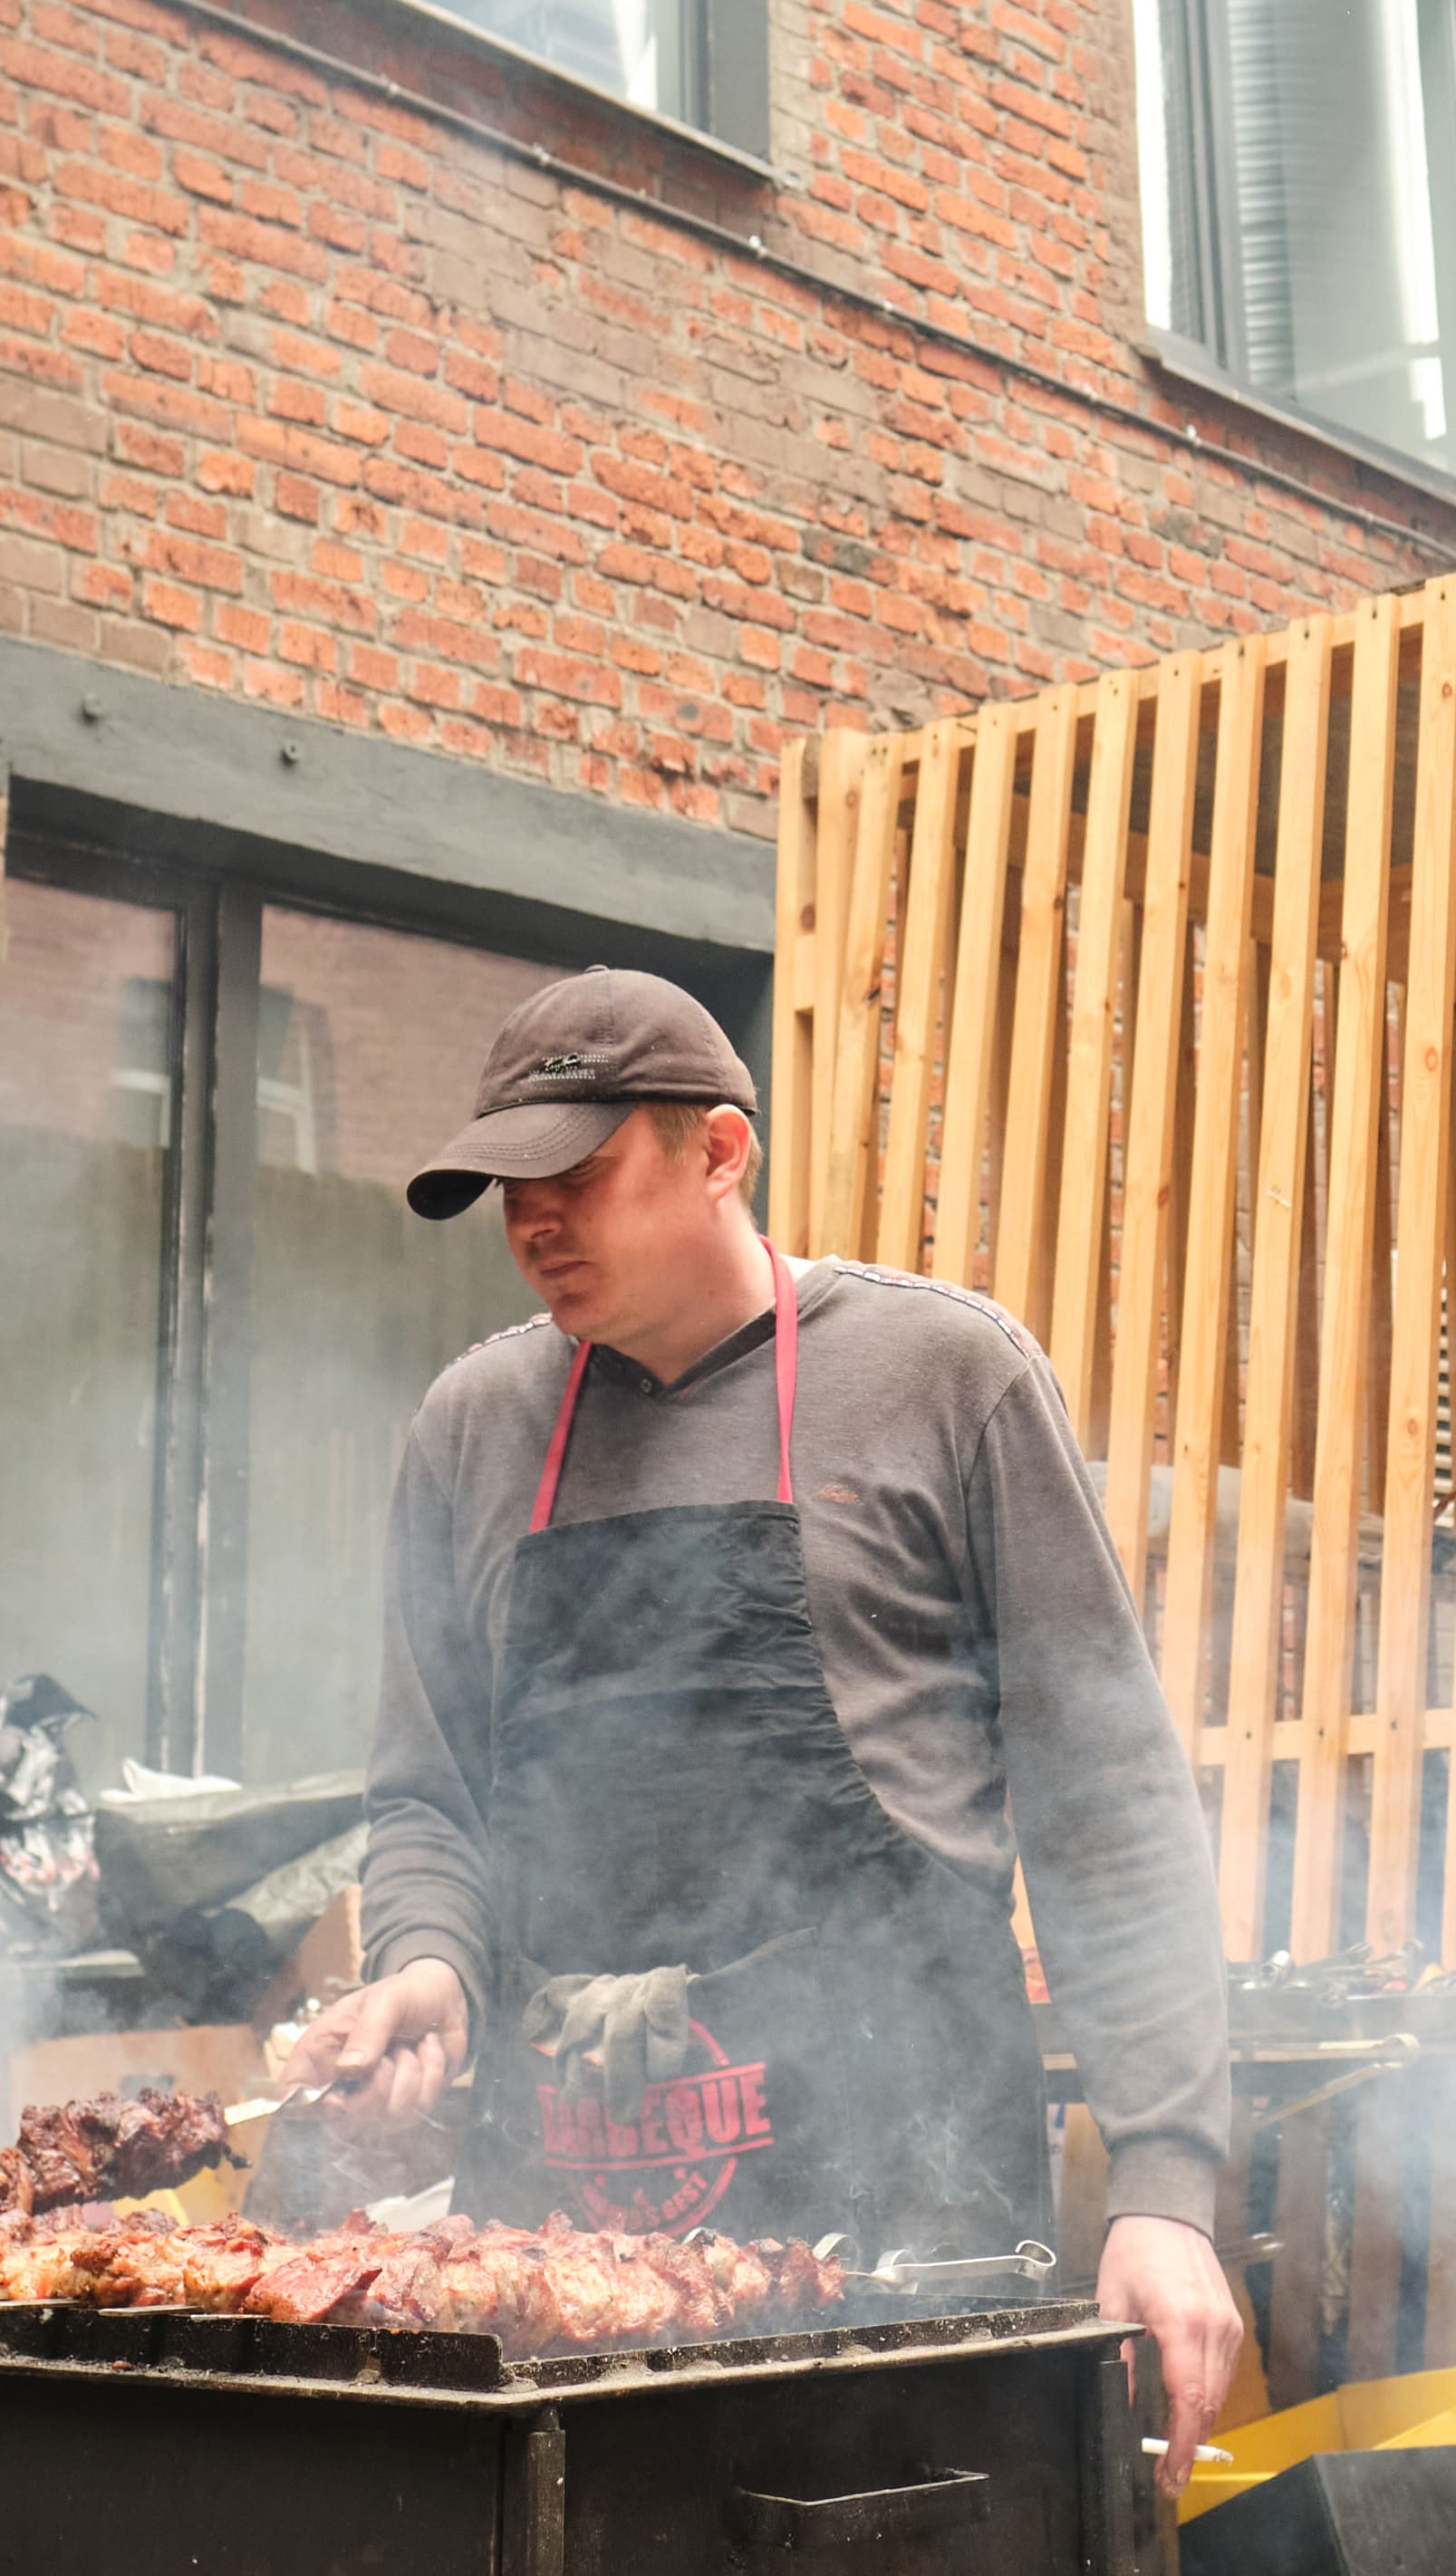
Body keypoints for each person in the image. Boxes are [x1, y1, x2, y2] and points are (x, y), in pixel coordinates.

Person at [283, 970, 1249, 2467]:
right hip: (566, 2272)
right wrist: (425, 1960)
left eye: (577, 1174)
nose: (533, 1222)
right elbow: (429, 1798)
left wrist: (1166, 2189)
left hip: (909, 2236)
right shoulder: (474, 1426)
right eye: (505, 1189)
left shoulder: (942, 1377)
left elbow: (1106, 1811)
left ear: (720, 1152)